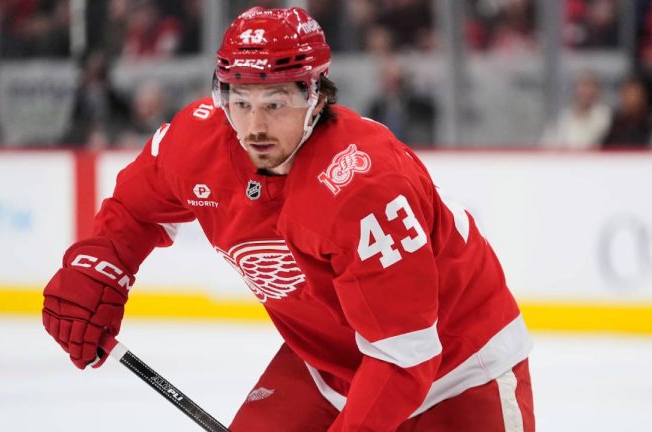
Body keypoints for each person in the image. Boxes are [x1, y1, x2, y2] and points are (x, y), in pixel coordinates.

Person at [42, 7, 534, 431]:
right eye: (239, 100)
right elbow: (134, 209)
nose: (254, 126)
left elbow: (405, 357)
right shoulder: (197, 143)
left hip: (458, 367)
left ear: (315, 96)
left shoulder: (361, 186)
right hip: (327, 369)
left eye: (275, 103)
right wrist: (99, 265)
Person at [540, 70, 611, 150]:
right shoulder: (563, 119)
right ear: (575, 90)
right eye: (583, 86)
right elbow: (547, 146)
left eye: (591, 86)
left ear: (597, 91)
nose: (586, 91)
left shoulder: (606, 117)